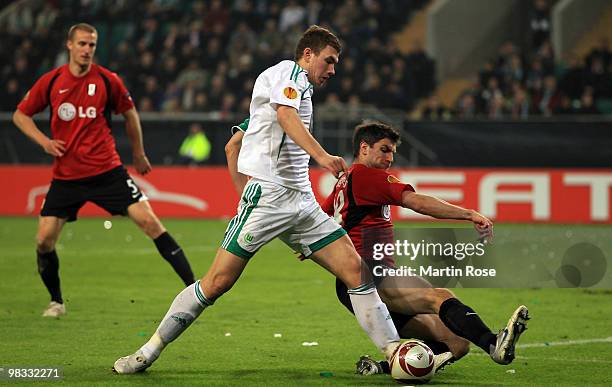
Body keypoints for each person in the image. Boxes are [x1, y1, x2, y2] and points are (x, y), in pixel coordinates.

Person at [113, 25, 402, 375]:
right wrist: (319, 159)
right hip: (269, 199)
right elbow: (284, 116)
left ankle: (394, 353)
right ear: (308, 54)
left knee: (355, 270)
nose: (332, 70)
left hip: (302, 203)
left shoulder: (294, 91)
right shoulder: (286, 74)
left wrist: (243, 191)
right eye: (329, 61)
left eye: (335, 63)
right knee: (217, 283)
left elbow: (233, 143)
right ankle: (148, 351)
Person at [227, 120, 529, 376]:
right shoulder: (368, 176)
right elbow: (417, 202)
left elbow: (321, 218)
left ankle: (385, 368)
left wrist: (307, 247)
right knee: (441, 297)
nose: (389, 158)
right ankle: (494, 344)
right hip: (370, 273)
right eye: (384, 150)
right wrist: (469, 213)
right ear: (364, 148)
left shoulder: (345, 181)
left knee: (457, 344)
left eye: (393, 152)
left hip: (358, 282)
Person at [13, 23, 195, 318]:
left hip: (107, 173)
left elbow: (130, 114)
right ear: (69, 45)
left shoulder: (108, 81)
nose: (87, 50)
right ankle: (56, 301)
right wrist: (44, 142)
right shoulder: (52, 81)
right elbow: (20, 115)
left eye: (92, 45)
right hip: (66, 177)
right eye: (82, 44)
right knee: (44, 240)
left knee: (152, 224)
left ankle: (195, 291)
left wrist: (138, 153)